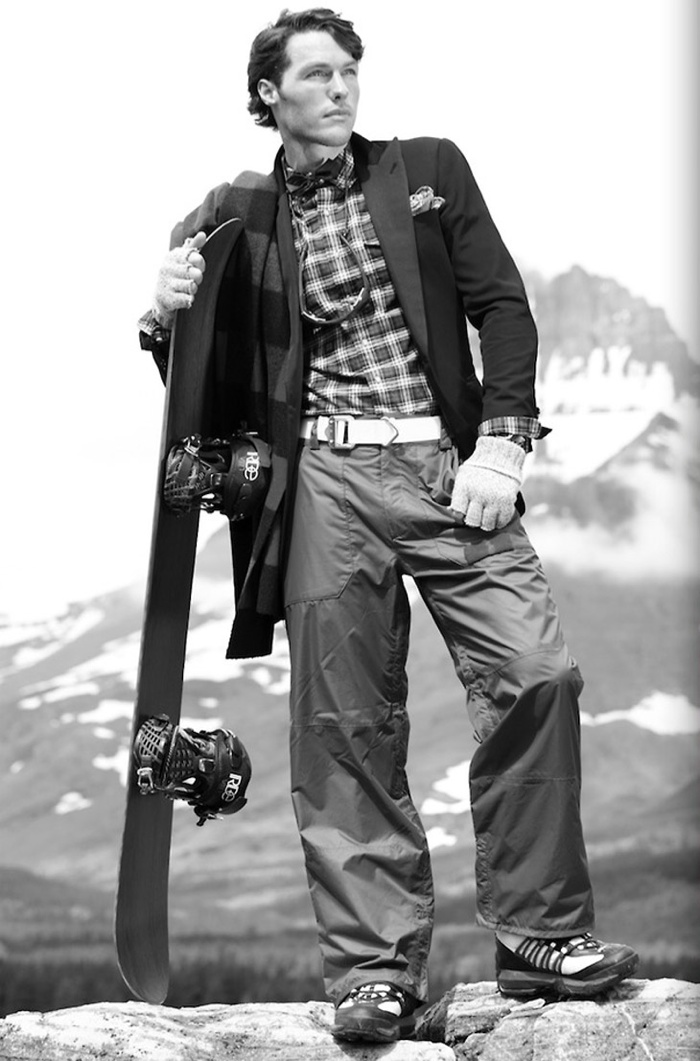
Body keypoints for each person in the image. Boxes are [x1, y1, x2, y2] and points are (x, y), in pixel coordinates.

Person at [138, 7, 638, 1044]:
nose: (340, 87)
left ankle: (541, 935)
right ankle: (374, 973)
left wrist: (503, 443)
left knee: (536, 672)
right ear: (268, 93)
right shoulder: (233, 211)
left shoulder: (428, 170)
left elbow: (503, 307)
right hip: (323, 477)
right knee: (344, 722)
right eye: (317, 73)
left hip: (450, 469)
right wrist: (161, 309)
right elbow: (199, 371)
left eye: (349, 71)